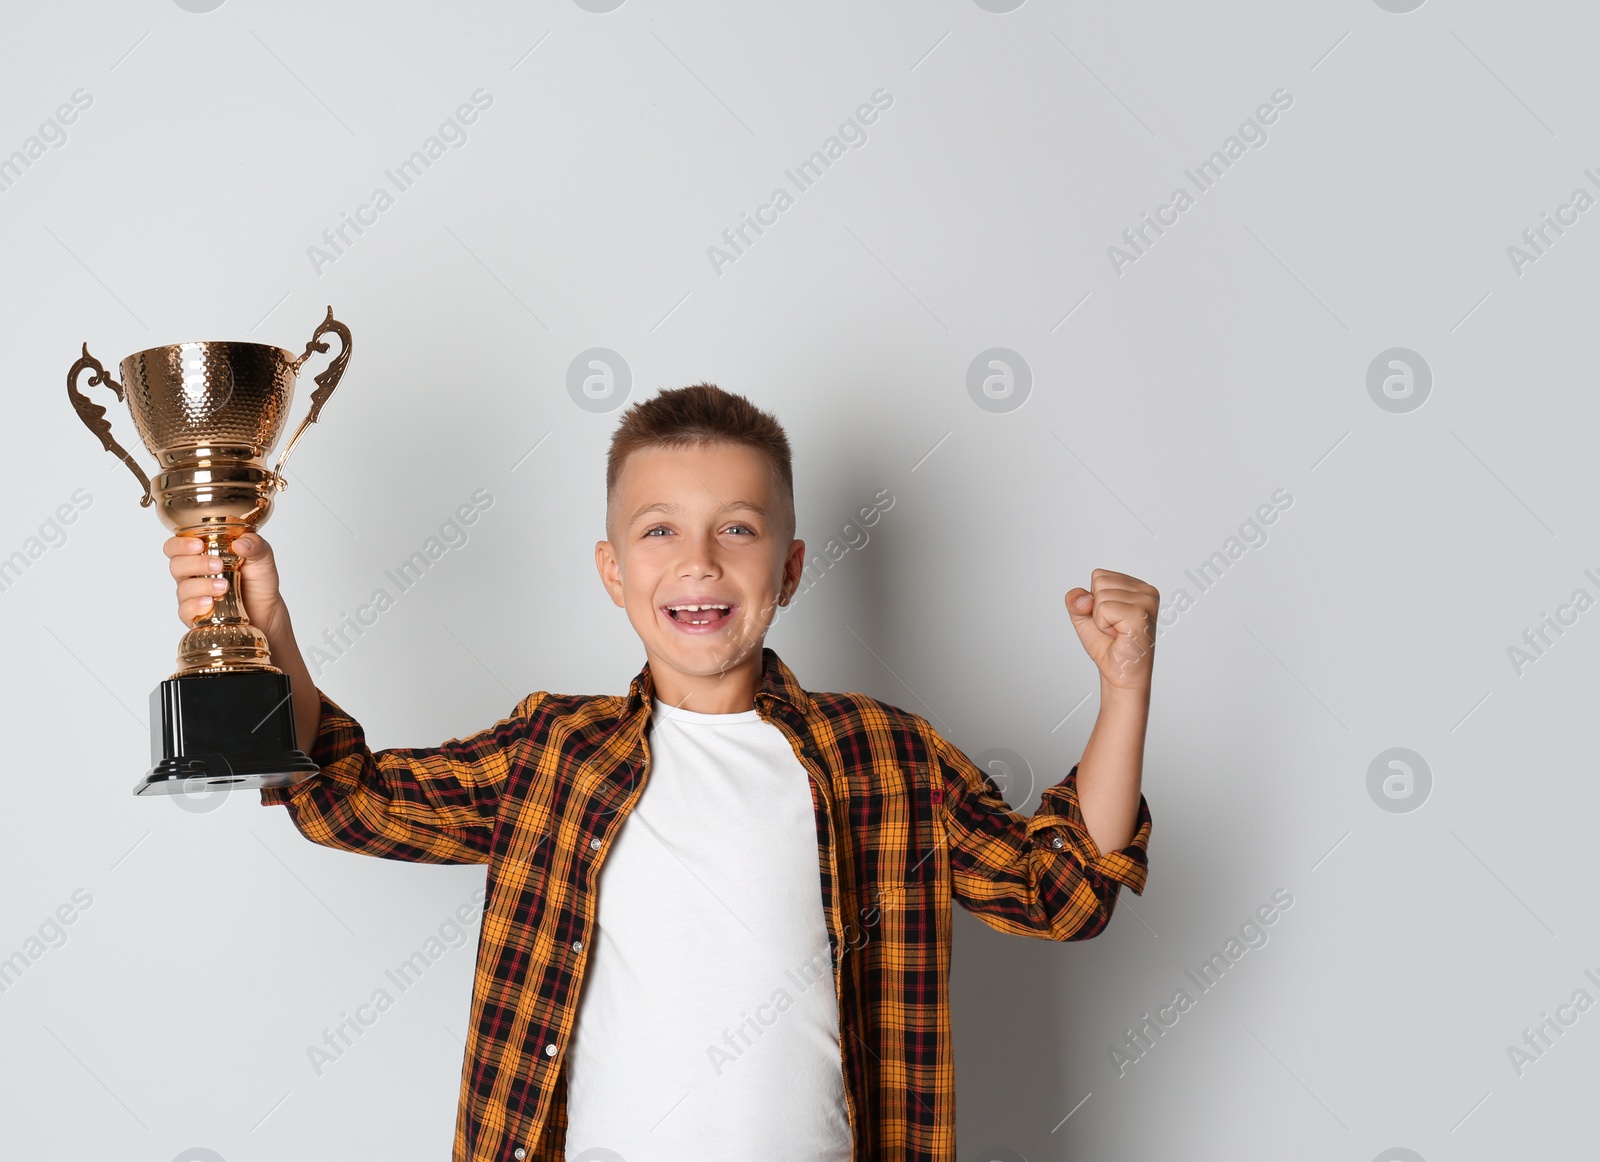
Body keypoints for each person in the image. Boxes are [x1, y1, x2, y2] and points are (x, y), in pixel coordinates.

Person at [165, 383, 1156, 1161]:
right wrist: (269, 624)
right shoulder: (551, 753)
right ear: (612, 571)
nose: (699, 561)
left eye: (737, 526)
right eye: (659, 529)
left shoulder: (884, 756)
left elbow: (1060, 891)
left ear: (791, 566)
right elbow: (345, 799)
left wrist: (1123, 688)